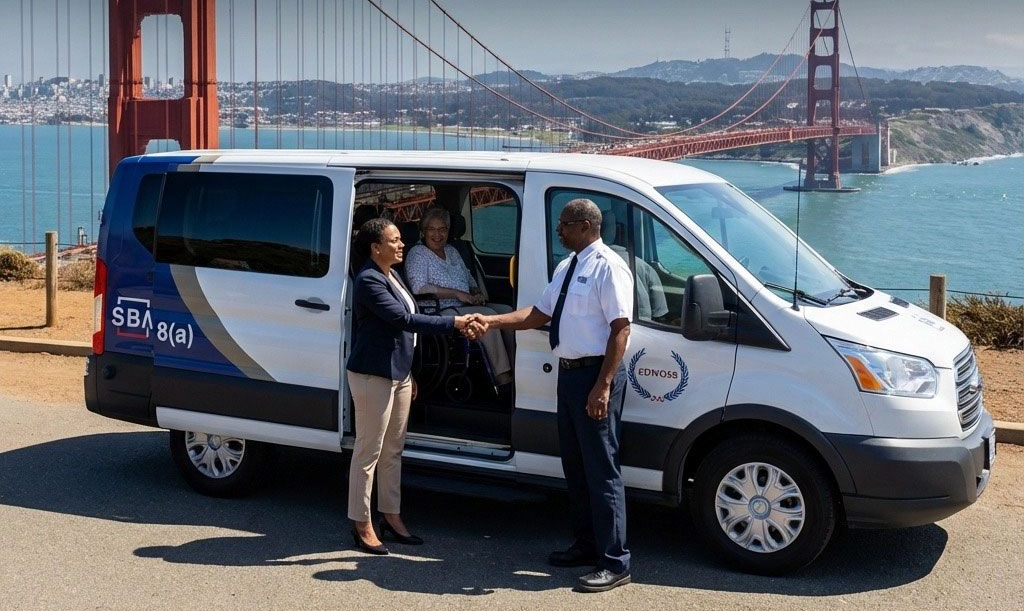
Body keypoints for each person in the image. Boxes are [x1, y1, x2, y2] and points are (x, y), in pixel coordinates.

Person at [470, 199, 634, 593]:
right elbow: (538, 314)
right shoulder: (567, 266)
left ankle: (615, 562)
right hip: (570, 377)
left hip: (596, 377)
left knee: (601, 470)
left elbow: (621, 329)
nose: (558, 231)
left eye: (562, 225)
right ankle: (586, 544)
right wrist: (492, 321)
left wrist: (604, 385)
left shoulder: (608, 266)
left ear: (583, 225)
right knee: (576, 467)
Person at [346, 218, 481, 555]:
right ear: (377, 247)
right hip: (373, 375)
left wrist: (410, 373)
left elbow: (407, 327)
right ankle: (362, 523)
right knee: (369, 452)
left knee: (393, 451)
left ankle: (391, 516)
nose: (402, 244)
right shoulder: (368, 280)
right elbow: (404, 320)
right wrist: (455, 323)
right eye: (394, 240)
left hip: (399, 373)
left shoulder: (392, 274)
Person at [404, 207, 515, 386]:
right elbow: (419, 287)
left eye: (442, 229)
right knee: (487, 318)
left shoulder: (452, 250)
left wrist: (475, 291)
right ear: (423, 232)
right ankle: (502, 377)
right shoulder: (417, 254)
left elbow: (468, 276)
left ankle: (514, 367)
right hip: (438, 309)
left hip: (464, 304)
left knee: (506, 312)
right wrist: (456, 293)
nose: (438, 234)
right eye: (432, 229)